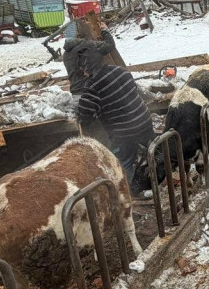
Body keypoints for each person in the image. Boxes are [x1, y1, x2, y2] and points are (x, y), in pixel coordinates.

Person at [63, 33, 156, 183]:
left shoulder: (92, 87)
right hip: (145, 122)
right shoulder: (121, 71)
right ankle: (156, 175)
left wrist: (80, 111)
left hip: (124, 134)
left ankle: (131, 190)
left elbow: (85, 117)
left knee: (119, 162)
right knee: (150, 150)